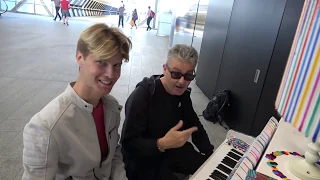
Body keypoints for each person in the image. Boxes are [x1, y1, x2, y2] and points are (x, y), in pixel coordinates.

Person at [22, 23, 132, 180]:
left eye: (117, 65)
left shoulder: (111, 107)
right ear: (80, 58)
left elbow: (113, 154)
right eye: (101, 62)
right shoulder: (46, 127)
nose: (111, 74)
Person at [120, 44, 214, 180]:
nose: (182, 81)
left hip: (172, 151)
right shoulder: (142, 96)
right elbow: (128, 144)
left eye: (188, 76)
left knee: (209, 168)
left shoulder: (183, 95)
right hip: (143, 160)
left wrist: (211, 153)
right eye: (176, 74)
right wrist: (161, 144)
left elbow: (194, 125)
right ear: (165, 69)